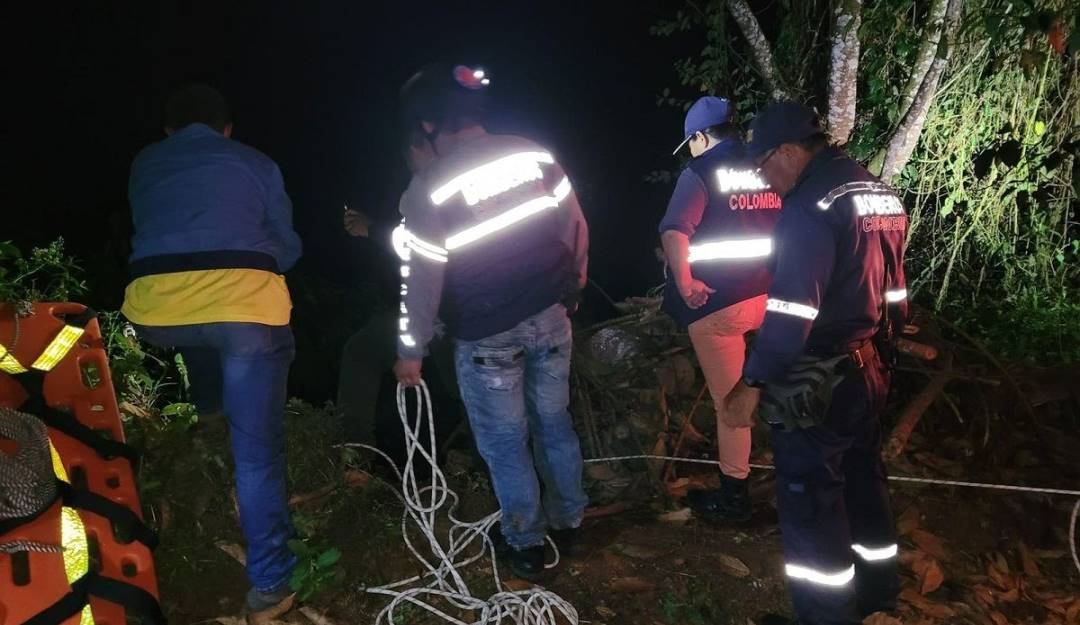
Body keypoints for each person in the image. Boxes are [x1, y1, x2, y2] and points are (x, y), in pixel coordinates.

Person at [392, 63, 590, 580]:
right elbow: (575, 227)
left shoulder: (427, 187)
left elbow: (422, 280)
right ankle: (570, 523)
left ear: (428, 125)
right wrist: (573, 290)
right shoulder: (533, 153)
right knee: (555, 424)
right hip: (551, 317)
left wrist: (411, 349)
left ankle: (525, 543)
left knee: (505, 442)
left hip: (486, 337)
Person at [720, 102, 908, 625]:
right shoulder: (876, 191)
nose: (764, 179)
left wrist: (752, 380)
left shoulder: (809, 207)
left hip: (818, 379)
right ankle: (878, 597)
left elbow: (791, 314)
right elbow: (896, 293)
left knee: (810, 502)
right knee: (864, 481)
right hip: (869, 366)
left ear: (786, 152)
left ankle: (826, 616)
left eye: (762, 166)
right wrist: (885, 354)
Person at [121, 83, 303, 612]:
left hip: (157, 314)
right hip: (242, 317)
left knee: (202, 327)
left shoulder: (145, 163)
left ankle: (208, 412)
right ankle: (271, 582)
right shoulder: (257, 162)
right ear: (228, 130)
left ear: (168, 131)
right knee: (258, 450)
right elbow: (287, 247)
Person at [658, 96, 782, 522]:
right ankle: (797, 474)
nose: (691, 151)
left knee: (730, 403)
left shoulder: (700, 172)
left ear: (700, 137)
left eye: (690, 143)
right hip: (773, 298)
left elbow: (675, 232)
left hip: (719, 306)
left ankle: (734, 496)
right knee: (782, 386)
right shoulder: (766, 165)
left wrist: (685, 284)